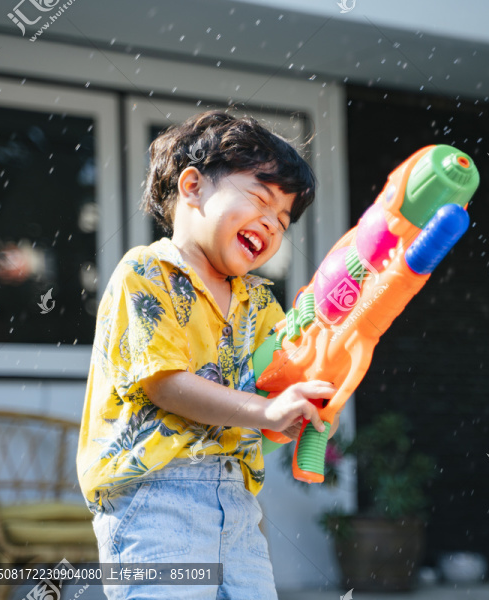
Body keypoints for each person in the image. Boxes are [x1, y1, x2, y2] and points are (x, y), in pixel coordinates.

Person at [76, 110, 338, 599]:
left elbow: (269, 399)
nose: (271, 224)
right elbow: (165, 383)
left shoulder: (260, 300)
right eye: (260, 199)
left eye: (283, 220)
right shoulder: (147, 272)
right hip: (154, 499)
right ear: (192, 186)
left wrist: (293, 413)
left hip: (236, 503)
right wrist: (265, 410)